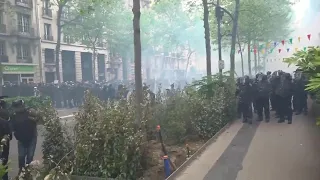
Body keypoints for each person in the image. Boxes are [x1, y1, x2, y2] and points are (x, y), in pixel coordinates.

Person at [10, 100, 39, 174]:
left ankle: (28, 173)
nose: (17, 109)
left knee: (30, 157)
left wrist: (33, 118)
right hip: (21, 139)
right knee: (21, 157)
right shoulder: (14, 116)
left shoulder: (30, 112)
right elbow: (12, 127)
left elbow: (38, 120)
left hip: (32, 137)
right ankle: (21, 172)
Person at [0, 97, 11, 180]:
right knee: (3, 163)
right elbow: (10, 136)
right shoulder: (5, 122)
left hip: (3, 148)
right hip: (4, 149)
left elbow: (9, 135)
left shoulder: (4, 122)